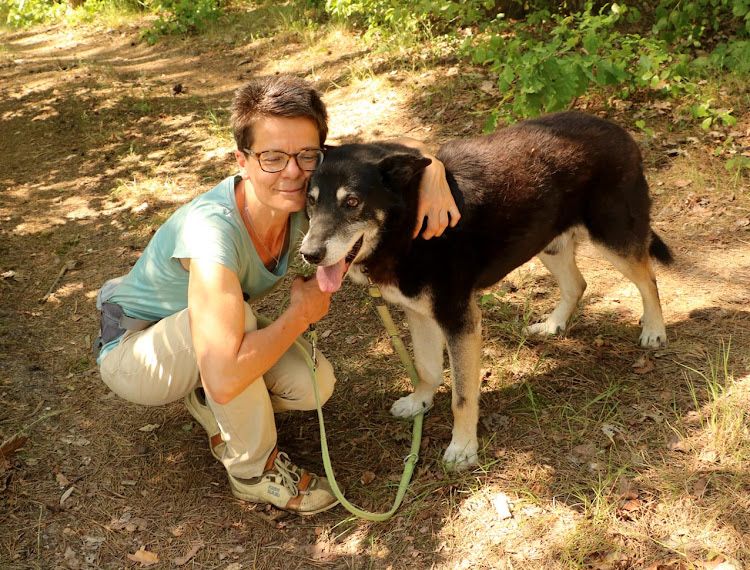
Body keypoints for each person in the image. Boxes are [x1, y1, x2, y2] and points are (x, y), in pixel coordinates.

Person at [94, 75, 460, 516]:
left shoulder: (309, 201)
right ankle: (252, 472)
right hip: (136, 350)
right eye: (271, 157)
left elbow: (390, 150)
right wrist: (299, 316)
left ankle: (207, 395)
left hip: (202, 335)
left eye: (306, 155)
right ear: (242, 160)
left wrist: (434, 170)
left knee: (313, 385)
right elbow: (230, 370)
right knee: (232, 346)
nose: (291, 171)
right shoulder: (212, 232)